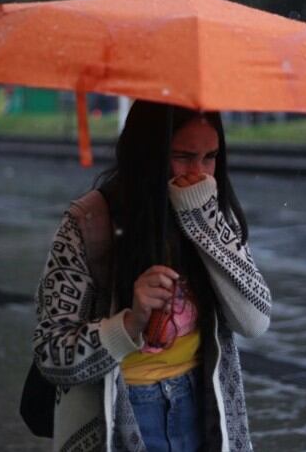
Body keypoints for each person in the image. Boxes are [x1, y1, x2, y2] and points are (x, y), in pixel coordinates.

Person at [32, 100, 271, 451]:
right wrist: (129, 323)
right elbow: (51, 353)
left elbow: (255, 321)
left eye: (210, 156)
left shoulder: (212, 211)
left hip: (201, 404)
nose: (201, 173)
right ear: (149, 155)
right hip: (121, 412)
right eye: (184, 156)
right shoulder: (88, 222)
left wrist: (204, 225)